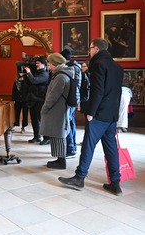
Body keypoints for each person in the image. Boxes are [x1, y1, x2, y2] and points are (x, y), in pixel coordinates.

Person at [58, 38, 124, 196]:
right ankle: (115, 182)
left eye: (90, 48)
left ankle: (79, 178)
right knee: (111, 149)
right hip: (111, 115)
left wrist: (91, 113)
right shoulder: (117, 67)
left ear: (97, 49)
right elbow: (117, 93)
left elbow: (98, 91)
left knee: (88, 145)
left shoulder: (99, 65)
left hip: (99, 114)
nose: (89, 51)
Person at [40, 53, 73, 169]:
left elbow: (53, 96)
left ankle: (61, 161)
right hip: (58, 109)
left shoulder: (60, 77)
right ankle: (59, 158)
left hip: (57, 109)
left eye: (49, 64)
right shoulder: (60, 74)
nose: (48, 66)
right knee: (56, 133)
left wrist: (45, 108)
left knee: (59, 134)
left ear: (55, 64)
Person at [60, 48, 82, 158]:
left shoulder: (72, 68)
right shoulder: (75, 67)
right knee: (70, 122)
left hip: (71, 98)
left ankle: (71, 148)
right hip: (73, 98)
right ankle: (71, 147)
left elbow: (74, 86)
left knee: (68, 123)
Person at [24, 56, 50, 144]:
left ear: (43, 64)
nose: (36, 65)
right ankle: (36, 136)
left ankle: (47, 138)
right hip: (33, 99)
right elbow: (29, 82)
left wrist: (29, 72)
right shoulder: (37, 72)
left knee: (42, 120)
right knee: (34, 119)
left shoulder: (44, 74)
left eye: (38, 63)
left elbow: (34, 81)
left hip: (40, 100)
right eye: (36, 63)